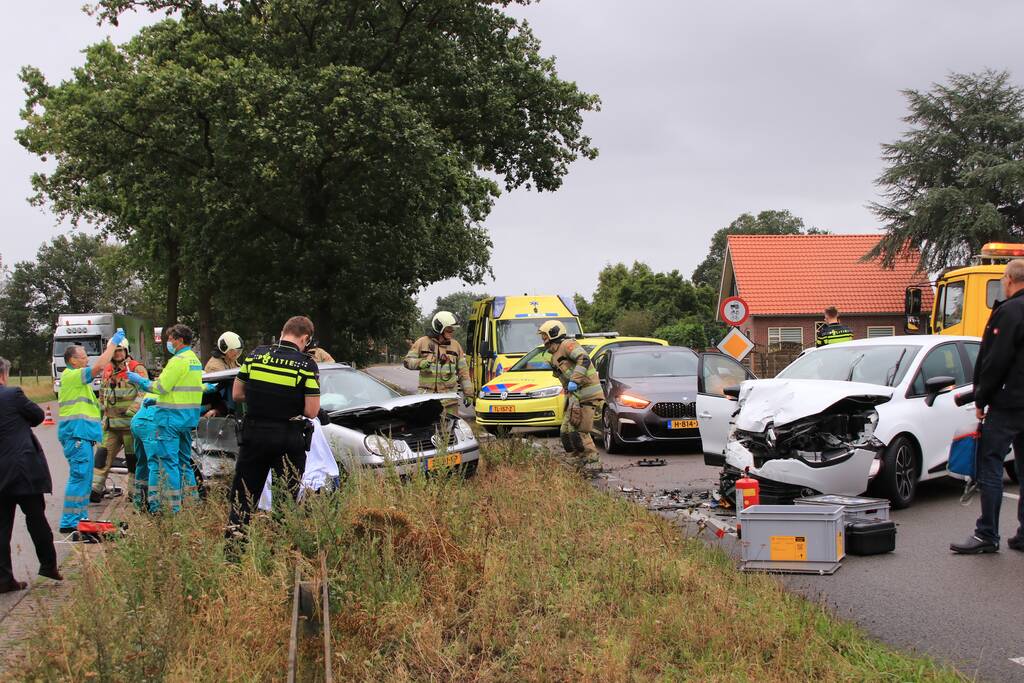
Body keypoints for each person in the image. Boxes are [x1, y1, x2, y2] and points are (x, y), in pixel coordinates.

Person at [951, 259, 1024, 554]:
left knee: (990, 465)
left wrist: (981, 398)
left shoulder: (1009, 312)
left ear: (1009, 280)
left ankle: (987, 534)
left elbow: (995, 361)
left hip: (1008, 403)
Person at [226, 316, 320, 535]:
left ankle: (234, 547)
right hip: (287, 437)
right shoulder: (306, 365)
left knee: (243, 498)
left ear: (282, 333)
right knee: (285, 500)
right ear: (305, 338)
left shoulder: (256, 355)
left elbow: (237, 394)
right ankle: (280, 548)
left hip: (254, 435)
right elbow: (311, 411)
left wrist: (262, 400)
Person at [125, 324, 204, 514]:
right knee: (184, 462)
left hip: (170, 420)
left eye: (170, 339)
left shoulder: (177, 361)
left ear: (179, 340)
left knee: (168, 463)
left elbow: (160, 387)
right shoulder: (194, 360)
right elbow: (182, 391)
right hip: (187, 419)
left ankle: (172, 509)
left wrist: (139, 381)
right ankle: (192, 504)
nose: (168, 342)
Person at [0, 357, 61, 591]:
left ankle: (4, 578)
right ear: (4, 374)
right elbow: (37, 416)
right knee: (36, 518)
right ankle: (48, 565)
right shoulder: (13, 394)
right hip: (23, 469)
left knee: (2, 526)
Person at [57, 330, 123, 532]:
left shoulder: (78, 382)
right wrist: (113, 344)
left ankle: (80, 518)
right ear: (73, 360)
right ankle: (70, 522)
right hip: (76, 435)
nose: (87, 360)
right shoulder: (72, 376)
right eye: (84, 357)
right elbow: (99, 366)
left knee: (85, 478)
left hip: (81, 436)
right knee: (80, 476)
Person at [538, 320, 604, 468]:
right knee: (566, 432)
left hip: (588, 394)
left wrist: (574, 380)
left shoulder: (567, 345)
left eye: (544, 335)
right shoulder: (553, 354)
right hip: (575, 396)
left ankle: (593, 461)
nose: (543, 338)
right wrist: (568, 395)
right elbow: (563, 377)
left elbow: (584, 359)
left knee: (579, 431)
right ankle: (577, 458)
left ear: (553, 333)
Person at [91, 339, 148, 503]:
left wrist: (133, 410)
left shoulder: (136, 368)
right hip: (111, 425)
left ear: (126, 351)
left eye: (120, 350)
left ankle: (134, 493)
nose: (117, 354)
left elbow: (144, 391)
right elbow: (102, 394)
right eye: (115, 351)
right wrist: (100, 414)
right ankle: (95, 489)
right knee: (102, 457)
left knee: (133, 460)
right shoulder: (107, 370)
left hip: (130, 425)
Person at [403, 311, 474, 416]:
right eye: (449, 329)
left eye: (452, 329)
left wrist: (469, 394)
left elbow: (463, 373)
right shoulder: (422, 342)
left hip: (449, 401)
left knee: (450, 425)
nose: (452, 332)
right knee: (427, 425)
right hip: (426, 399)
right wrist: (420, 363)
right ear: (439, 328)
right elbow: (407, 361)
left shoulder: (456, 346)